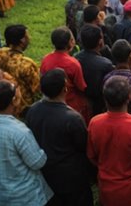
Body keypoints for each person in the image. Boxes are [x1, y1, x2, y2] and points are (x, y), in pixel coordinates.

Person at [0, 80, 53, 206]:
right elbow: (37, 162)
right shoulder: (19, 131)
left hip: (0, 193)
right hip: (25, 196)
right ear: (14, 101)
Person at [26, 68, 95, 206]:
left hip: (46, 173)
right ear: (65, 89)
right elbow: (83, 146)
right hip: (71, 175)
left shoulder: (32, 110)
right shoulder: (72, 118)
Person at [87, 76, 131, 206]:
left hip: (108, 192)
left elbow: (91, 156)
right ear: (129, 97)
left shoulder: (95, 123)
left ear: (105, 98)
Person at [39, 27, 90, 121]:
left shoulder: (45, 60)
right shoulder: (73, 64)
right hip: (71, 105)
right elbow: (81, 87)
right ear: (70, 42)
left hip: (50, 103)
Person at [0, 24, 39, 114]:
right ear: (22, 40)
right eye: (27, 35)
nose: (29, 38)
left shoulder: (0, 53)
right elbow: (36, 88)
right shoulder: (26, 64)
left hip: (4, 100)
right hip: (24, 106)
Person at [75, 25, 115, 116]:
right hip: (99, 107)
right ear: (100, 42)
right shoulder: (106, 64)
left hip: (80, 105)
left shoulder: (75, 58)